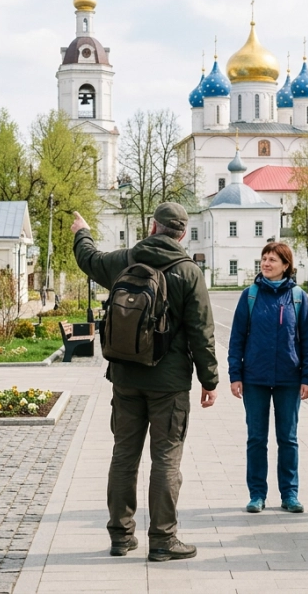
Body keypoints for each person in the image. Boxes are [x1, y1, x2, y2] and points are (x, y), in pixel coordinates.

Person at [71, 203, 218, 563]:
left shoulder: (125, 259)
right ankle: (164, 540)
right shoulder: (188, 272)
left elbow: (89, 260)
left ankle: (121, 536)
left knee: (124, 456)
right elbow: (202, 331)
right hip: (169, 384)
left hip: (124, 376)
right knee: (166, 459)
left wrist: (82, 232)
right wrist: (209, 379)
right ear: (181, 233)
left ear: (153, 226)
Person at [227, 242, 308, 514]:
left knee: (288, 439)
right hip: (254, 379)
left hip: (289, 380)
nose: (266, 263)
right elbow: (236, 339)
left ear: (286, 265)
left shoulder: (298, 297)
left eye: (272, 260)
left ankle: (290, 494)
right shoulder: (250, 295)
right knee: (256, 438)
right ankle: (257, 494)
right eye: (264, 259)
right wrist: (235, 374)